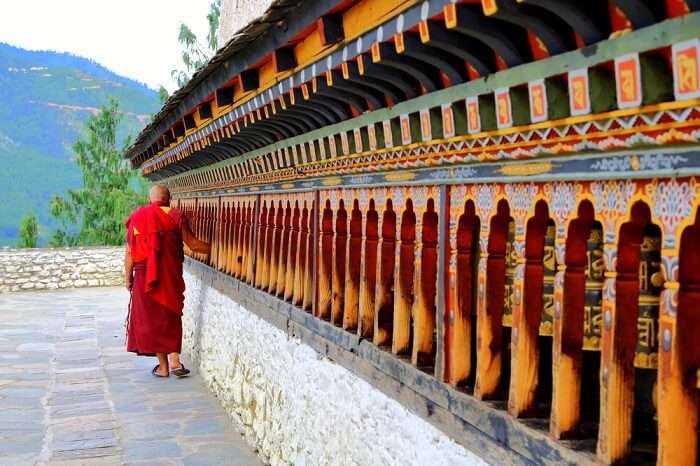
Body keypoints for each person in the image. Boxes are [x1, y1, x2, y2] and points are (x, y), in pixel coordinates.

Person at [124, 185, 211, 378]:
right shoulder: (175, 216)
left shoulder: (138, 217)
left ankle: (163, 367)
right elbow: (194, 244)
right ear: (169, 199)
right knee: (169, 314)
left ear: (150, 199)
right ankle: (175, 360)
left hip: (143, 276)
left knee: (152, 320)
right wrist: (218, 251)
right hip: (169, 274)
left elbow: (130, 251)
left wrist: (127, 277)